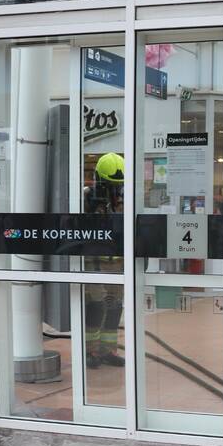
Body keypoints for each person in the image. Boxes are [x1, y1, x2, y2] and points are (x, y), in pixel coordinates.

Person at [84, 153, 124, 369]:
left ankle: (108, 350)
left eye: (118, 185)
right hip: (93, 262)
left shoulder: (123, 201)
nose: (115, 190)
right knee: (97, 306)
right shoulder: (85, 198)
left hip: (117, 263)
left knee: (114, 306)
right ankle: (90, 351)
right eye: (111, 184)